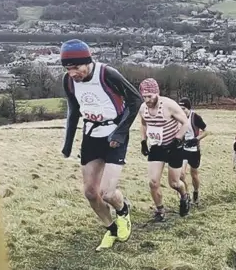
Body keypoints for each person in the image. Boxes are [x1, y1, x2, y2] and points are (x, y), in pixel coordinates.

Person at [60, 39, 142, 252]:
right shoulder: (68, 82)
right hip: (91, 136)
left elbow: (135, 100)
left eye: (76, 67)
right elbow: (73, 111)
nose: (72, 73)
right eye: (68, 68)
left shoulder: (107, 74)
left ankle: (123, 210)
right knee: (90, 192)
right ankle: (111, 229)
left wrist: (121, 132)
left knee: (107, 193)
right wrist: (68, 143)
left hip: (114, 135)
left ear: (88, 61)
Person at [138, 78, 192, 221]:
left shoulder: (169, 105)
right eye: (144, 97)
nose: (147, 100)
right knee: (153, 182)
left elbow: (185, 123)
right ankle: (160, 211)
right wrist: (143, 141)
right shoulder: (143, 108)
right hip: (157, 147)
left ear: (157, 93)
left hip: (173, 147)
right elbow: (143, 124)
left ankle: (184, 196)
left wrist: (178, 139)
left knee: (174, 183)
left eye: (150, 96)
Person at [177, 98, 208, 206]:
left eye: (184, 109)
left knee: (194, 174)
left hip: (194, 150)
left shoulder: (195, 117)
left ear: (189, 108)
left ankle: (196, 192)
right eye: (180, 109)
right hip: (183, 149)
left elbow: (206, 131)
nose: (182, 111)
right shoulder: (177, 117)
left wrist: (196, 139)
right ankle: (186, 196)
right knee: (180, 175)